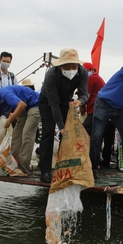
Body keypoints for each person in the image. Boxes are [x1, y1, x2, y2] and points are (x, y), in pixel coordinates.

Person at [38, 48, 88, 183]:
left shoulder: (82, 72)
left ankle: (63, 168)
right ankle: (45, 171)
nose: (72, 69)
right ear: (61, 66)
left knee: (67, 136)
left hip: (67, 102)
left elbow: (84, 94)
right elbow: (53, 104)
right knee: (48, 133)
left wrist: (80, 101)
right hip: (47, 103)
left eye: (74, 66)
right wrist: (60, 127)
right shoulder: (51, 75)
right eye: (68, 66)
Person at [0, 84, 40, 175]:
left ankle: (24, 168)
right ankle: (14, 164)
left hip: (34, 104)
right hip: (24, 109)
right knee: (16, 136)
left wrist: (10, 120)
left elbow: (21, 105)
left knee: (27, 134)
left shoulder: (4, 94)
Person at [81, 62, 105, 136]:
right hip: (98, 109)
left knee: (85, 131)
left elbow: (86, 96)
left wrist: (81, 106)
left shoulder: (91, 78)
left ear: (92, 70)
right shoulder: (97, 78)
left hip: (94, 109)